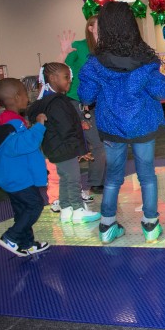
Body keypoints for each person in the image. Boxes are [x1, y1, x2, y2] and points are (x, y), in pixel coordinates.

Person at [78, 1, 165, 244]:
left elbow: (86, 96)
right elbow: (159, 92)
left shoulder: (94, 63)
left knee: (113, 177)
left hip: (111, 127)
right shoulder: (146, 60)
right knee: (146, 175)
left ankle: (106, 227)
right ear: (131, 26)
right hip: (143, 124)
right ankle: (150, 225)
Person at [0, 78, 51, 257]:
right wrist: (39, 126)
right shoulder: (13, 125)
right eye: (26, 95)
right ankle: (11, 237)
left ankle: (26, 243)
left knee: (22, 210)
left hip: (12, 178)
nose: (28, 99)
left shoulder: (4, 123)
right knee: (35, 205)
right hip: (19, 178)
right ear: (18, 96)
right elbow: (26, 145)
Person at [28, 62, 101, 225]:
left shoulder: (45, 102)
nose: (70, 81)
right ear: (53, 78)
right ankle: (78, 209)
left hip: (54, 149)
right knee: (73, 179)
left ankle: (66, 209)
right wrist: (80, 149)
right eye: (66, 77)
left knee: (64, 179)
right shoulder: (58, 102)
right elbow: (67, 128)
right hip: (66, 149)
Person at [58, 12, 106, 193]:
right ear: (90, 28)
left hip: (99, 103)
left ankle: (98, 180)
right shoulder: (78, 47)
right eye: (100, 26)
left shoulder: (107, 50)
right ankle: (95, 183)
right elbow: (59, 70)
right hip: (76, 102)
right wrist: (62, 53)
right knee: (96, 143)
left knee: (103, 143)